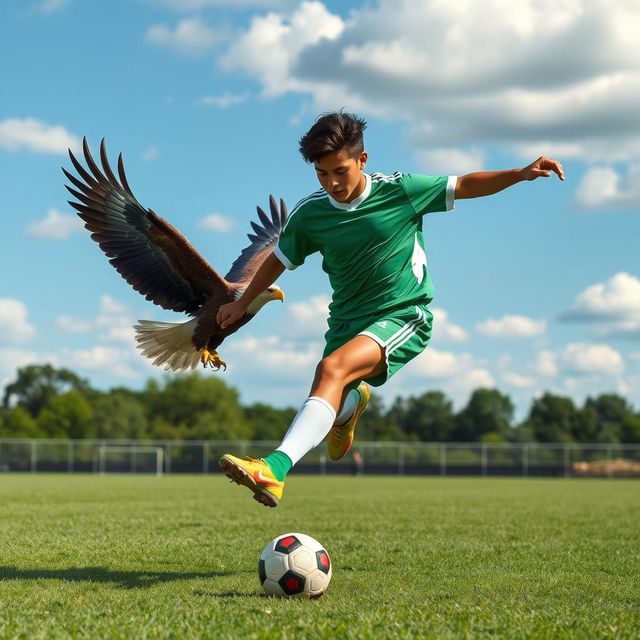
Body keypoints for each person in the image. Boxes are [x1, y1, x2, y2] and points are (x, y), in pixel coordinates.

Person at [217, 112, 564, 507]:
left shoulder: (401, 190)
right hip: (346, 322)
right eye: (321, 174)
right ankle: (349, 409)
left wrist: (520, 173)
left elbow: (464, 184)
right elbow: (278, 259)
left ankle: (273, 470)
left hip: (404, 314)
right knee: (332, 387)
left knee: (330, 370)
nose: (331, 183)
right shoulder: (310, 213)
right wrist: (243, 303)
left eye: (340, 171)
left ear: (362, 160)